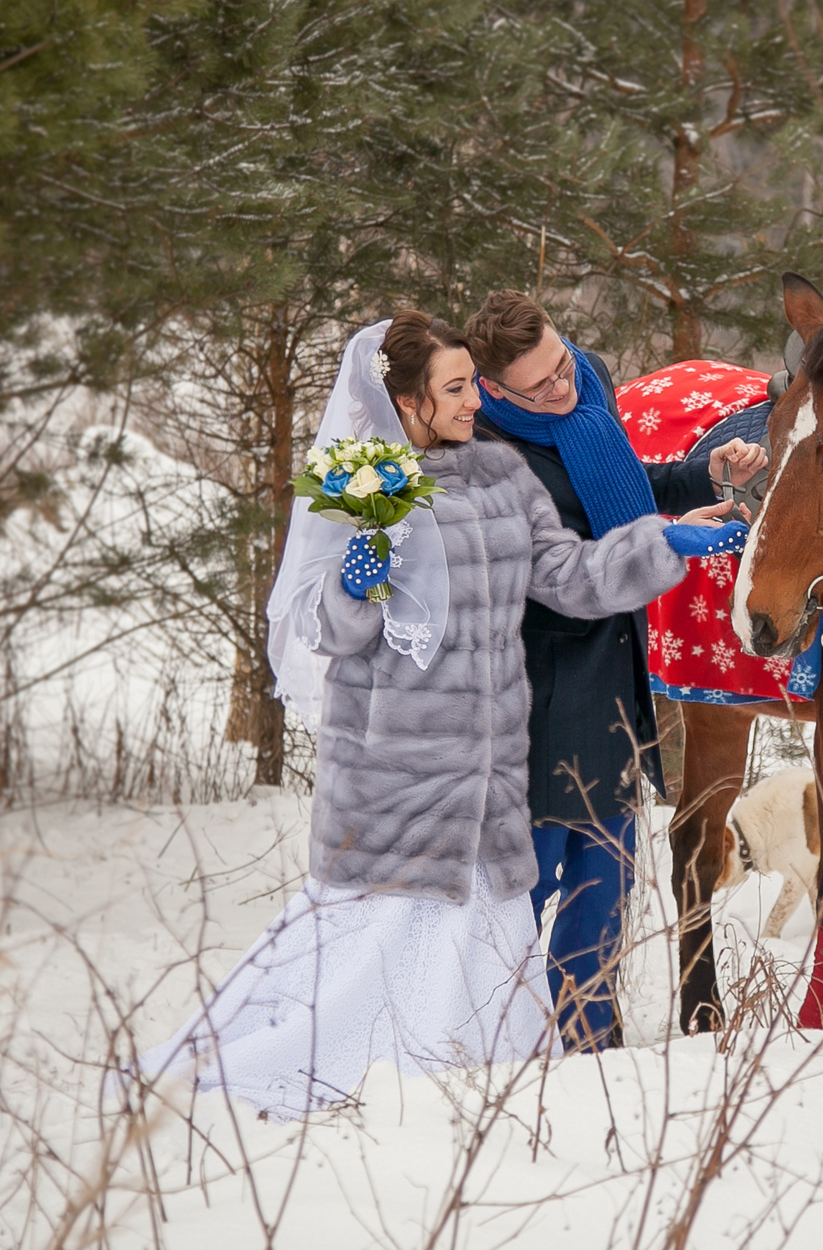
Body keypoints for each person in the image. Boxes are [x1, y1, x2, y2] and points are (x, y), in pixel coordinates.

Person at [135, 314, 738, 1119]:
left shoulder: (502, 474)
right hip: (412, 753)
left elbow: (567, 573)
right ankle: (384, 1063)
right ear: (410, 402)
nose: (472, 403)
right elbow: (337, 633)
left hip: (491, 739)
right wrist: (356, 583)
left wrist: (664, 544)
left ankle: (488, 1071)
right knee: (389, 933)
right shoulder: (372, 482)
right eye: (456, 389)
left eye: (471, 385)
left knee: (483, 930)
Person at [464, 291, 765, 1052]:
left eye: (563, 365)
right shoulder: (489, 456)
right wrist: (669, 543)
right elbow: (567, 570)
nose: (563, 389)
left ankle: (588, 1047)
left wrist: (704, 475)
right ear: (495, 390)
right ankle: (490, 1047)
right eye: (540, 388)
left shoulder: (585, 384)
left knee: (606, 890)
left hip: (615, 678)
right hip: (540, 689)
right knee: (526, 894)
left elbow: (625, 491)